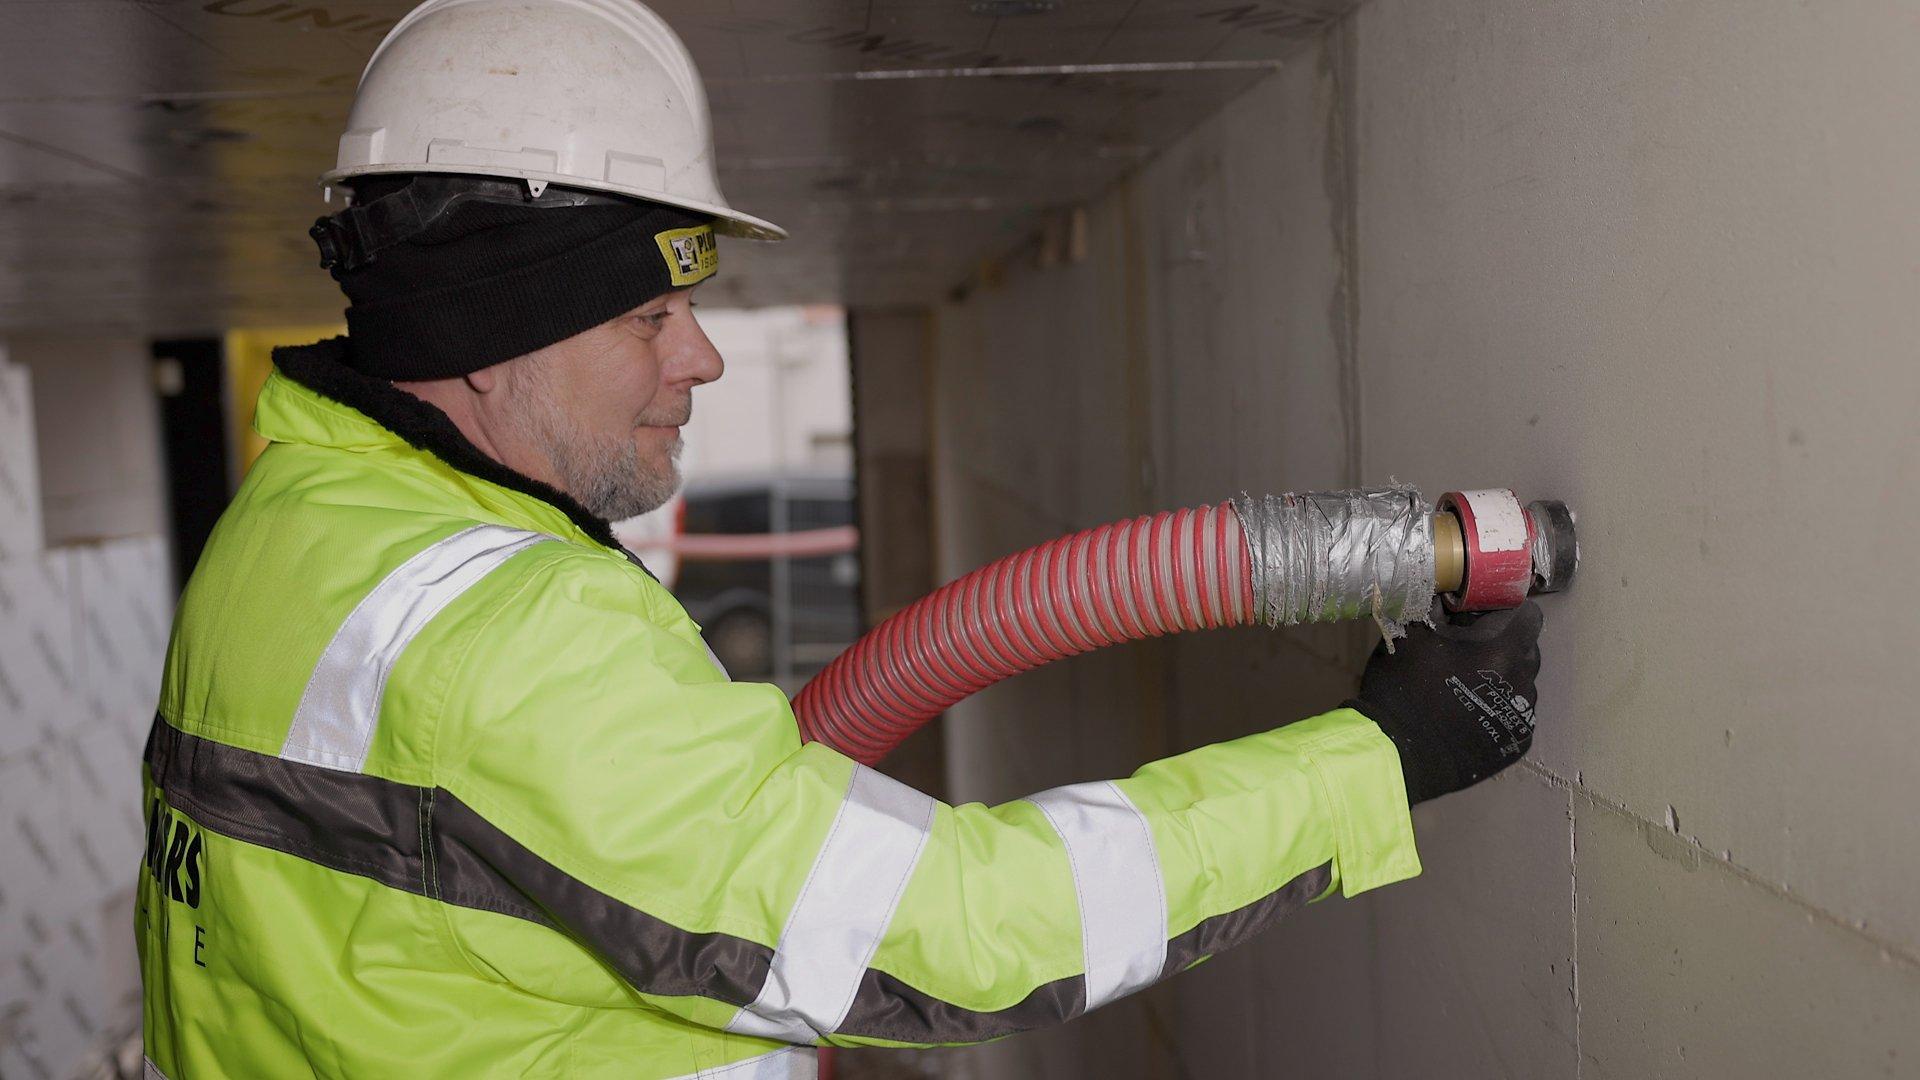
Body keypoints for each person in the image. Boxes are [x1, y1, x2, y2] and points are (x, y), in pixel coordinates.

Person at [134, 1, 1547, 1077]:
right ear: (488, 336)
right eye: (649, 316)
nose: (702, 360)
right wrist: (1380, 758)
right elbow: (965, 938)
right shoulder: (510, 654)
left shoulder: (295, 528)